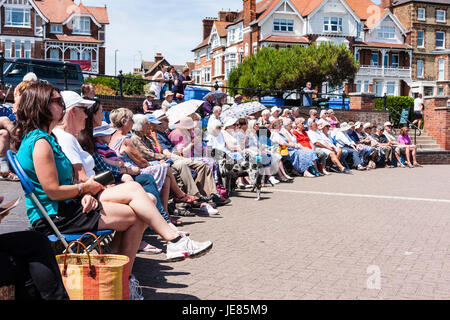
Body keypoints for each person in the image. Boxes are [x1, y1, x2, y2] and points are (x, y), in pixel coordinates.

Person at [13, 82, 213, 299]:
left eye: (62, 101)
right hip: (56, 215)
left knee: (138, 200)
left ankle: (143, 262)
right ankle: (160, 251)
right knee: (137, 208)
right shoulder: (40, 142)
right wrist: (84, 188)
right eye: (56, 100)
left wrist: (85, 191)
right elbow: (53, 191)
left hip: (66, 207)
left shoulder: (47, 137)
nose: (61, 105)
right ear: (40, 105)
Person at [132, 114, 220, 215]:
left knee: (202, 165)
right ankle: (194, 197)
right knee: (182, 165)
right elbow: (148, 153)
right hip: (158, 162)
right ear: (140, 126)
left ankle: (207, 196)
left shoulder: (151, 137)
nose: (152, 126)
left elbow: (169, 150)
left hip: (167, 159)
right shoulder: (137, 138)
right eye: (148, 124)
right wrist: (165, 157)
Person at [153, 111, 230, 205]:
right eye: (165, 120)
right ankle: (199, 196)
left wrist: (196, 143)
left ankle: (212, 194)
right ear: (158, 123)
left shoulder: (165, 134)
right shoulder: (163, 135)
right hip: (177, 158)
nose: (168, 121)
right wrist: (187, 152)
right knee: (204, 164)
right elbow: (170, 152)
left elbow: (200, 149)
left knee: (207, 164)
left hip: (183, 157)